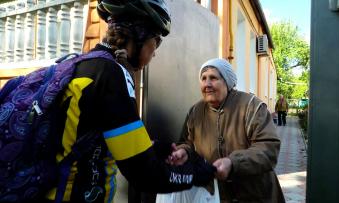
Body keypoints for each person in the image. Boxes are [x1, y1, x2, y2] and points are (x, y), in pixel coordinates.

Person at [44, 1, 216, 202]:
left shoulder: (82, 64)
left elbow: (99, 135)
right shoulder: (112, 75)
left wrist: (157, 148)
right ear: (138, 35)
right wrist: (198, 174)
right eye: (157, 40)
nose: (155, 50)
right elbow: (145, 174)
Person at [168, 58, 285, 202]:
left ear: (227, 82)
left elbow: (268, 148)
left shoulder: (251, 107)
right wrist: (184, 151)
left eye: (213, 78)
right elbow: (188, 142)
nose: (207, 84)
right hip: (214, 195)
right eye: (203, 78)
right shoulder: (195, 111)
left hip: (255, 194)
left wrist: (233, 163)